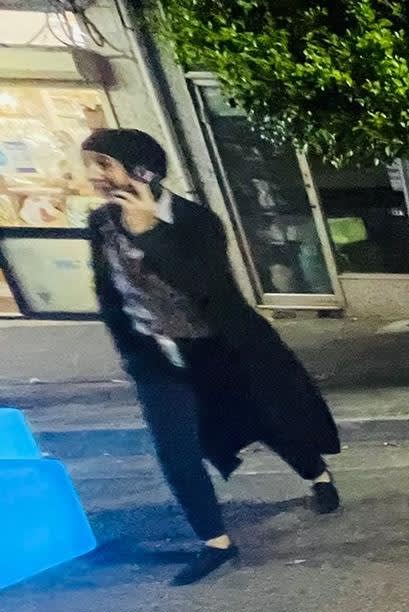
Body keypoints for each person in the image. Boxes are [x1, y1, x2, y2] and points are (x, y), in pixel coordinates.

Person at [83, 128, 342, 585]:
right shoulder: (101, 224)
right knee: (177, 453)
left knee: (272, 423)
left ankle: (316, 475)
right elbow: (109, 294)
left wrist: (152, 233)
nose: (95, 175)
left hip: (222, 350)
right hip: (156, 359)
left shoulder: (197, 221)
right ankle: (216, 543)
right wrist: (130, 351)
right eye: (91, 165)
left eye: (104, 164)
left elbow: (209, 287)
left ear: (143, 171)